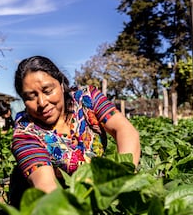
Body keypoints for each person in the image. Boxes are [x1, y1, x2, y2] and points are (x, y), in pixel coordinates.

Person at [9, 56, 140, 205]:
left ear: (61, 83)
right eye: (30, 97)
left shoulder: (86, 98)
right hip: (55, 201)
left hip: (96, 189)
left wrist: (122, 179)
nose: (42, 102)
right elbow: (46, 186)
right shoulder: (25, 133)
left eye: (47, 90)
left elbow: (125, 130)